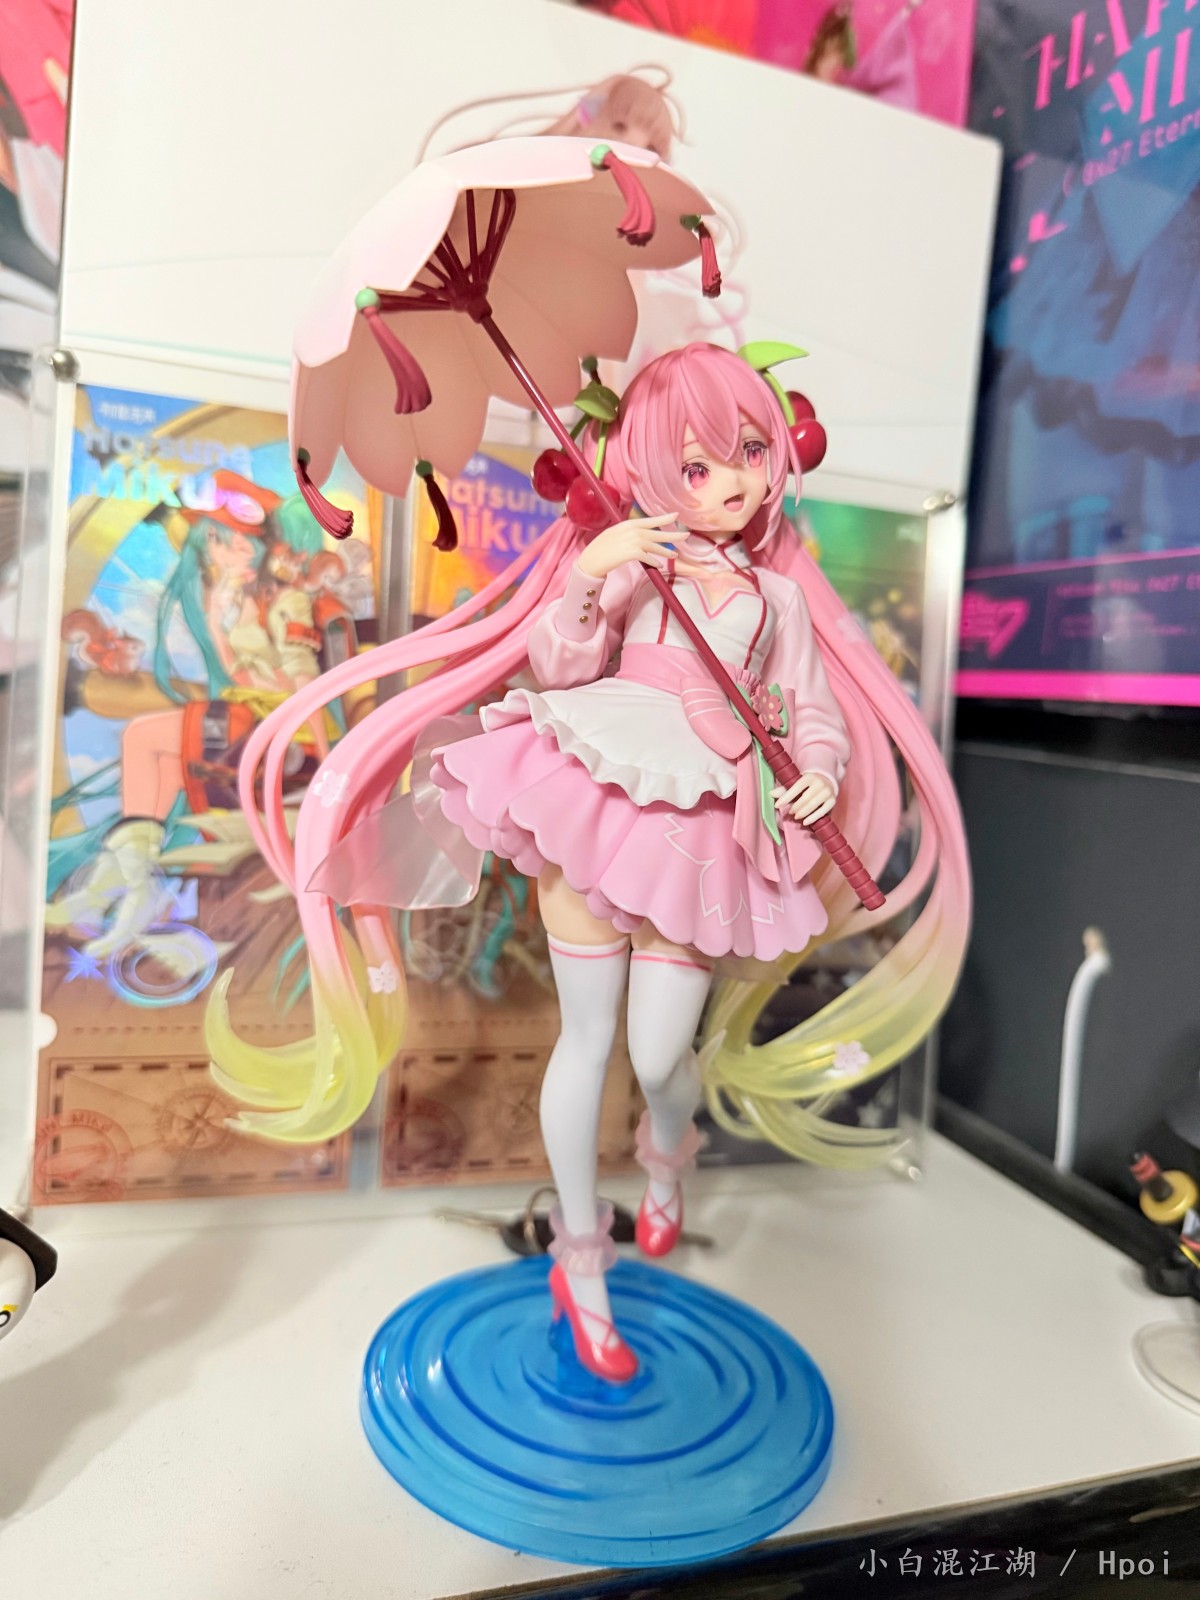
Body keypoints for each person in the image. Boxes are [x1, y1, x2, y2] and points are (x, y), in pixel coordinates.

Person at [208, 343, 969, 1383]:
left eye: (749, 452)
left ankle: (667, 1152)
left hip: (703, 824)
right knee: (588, 1037)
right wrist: (588, 574)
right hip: (601, 786)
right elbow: (560, 662)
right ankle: (582, 1256)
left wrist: (822, 774)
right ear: (649, 469)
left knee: (659, 1057)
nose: (730, 482)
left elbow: (813, 711)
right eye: (695, 465)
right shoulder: (634, 561)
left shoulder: (778, 601)